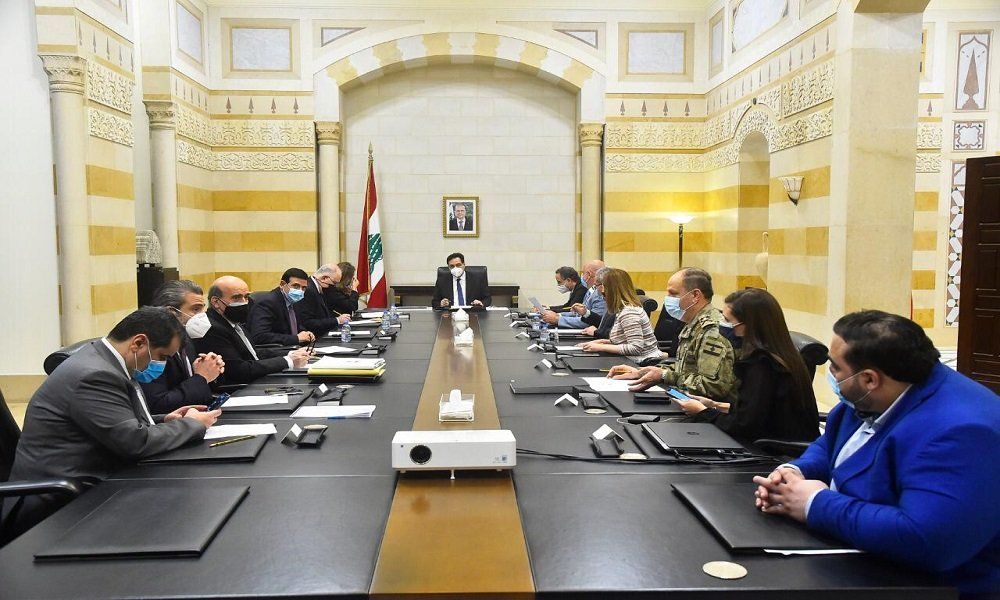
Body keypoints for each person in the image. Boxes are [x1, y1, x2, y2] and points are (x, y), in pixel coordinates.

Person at [753, 311, 999, 597]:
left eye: (835, 367)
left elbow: (927, 539)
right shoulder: (878, 392)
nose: (830, 373)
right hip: (856, 555)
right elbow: (832, 444)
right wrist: (795, 472)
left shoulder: (962, 431)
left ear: (870, 379)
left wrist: (813, 503)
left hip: (928, 586)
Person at [3, 307, 220, 541]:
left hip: (88, 481)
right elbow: (135, 442)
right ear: (138, 343)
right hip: (57, 503)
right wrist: (192, 424)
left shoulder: (105, 361)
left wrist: (164, 419)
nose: (163, 364)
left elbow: (118, 422)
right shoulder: (94, 375)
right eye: (163, 356)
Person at [672, 288, 820, 443]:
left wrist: (703, 412)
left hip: (774, 449)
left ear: (750, 325)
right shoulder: (784, 353)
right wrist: (715, 405)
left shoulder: (762, 364)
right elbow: (756, 411)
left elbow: (744, 426)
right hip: (774, 438)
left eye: (728, 321)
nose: (722, 326)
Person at [609, 267, 737, 403]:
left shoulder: (711, 330)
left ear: (695, 296)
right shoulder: (693, 323)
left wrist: (664, 375)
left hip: (701, 408)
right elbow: (685, 367)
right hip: (683, 399)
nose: (668, 299)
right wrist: (642, 372)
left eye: (673, 294)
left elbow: (713, 387)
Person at [195, 276, 311, 385]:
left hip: (256, 380)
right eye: (236, 298)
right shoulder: (213, 329)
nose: (244, 302)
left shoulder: (232, 321)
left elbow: (252, 353)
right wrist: (287, 361)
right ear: (216, 302)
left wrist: (290, 353)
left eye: (246, 297)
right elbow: (239, 370)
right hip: (238, 389)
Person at [142, 280, 226, 413]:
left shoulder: (185, 337)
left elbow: (193, 386)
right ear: (171, 312)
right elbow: (159, 405)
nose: (202, 316)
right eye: (195, 309)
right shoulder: (151, 348)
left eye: (202, 309)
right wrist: (201, 377)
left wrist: (212, 370)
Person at [577, 268, 662, 364]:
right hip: (627, 360)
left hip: (641, 363)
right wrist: (602, 342)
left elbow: (636, 348)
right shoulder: (622, 309)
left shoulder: (629, 312)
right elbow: (624, 341)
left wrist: (601, 347)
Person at [248, 268, 315, 347]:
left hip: (293, 348)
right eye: (296, 286)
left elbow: (294, 326)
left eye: (303, 288)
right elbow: (260, 336)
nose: (300, 291)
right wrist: (296, 338)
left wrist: (305, 333)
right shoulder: (267, 303)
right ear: (282, 284)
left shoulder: (294, 300)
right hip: (275, 350)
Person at [294, 264, 351, 336]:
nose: (334, 286)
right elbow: (307, 322)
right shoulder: (308, 290)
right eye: (334, 283)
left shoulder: (316, 286)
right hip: (312, 336)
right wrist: (337, 320)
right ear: (324, 278)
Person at [557, 259, 607, 329]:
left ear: (589, 274)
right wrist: (559, 316)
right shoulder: (591, 290)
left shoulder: (600, 294)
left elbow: (591, 322)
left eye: (583, 273)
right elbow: (579, 315)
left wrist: (558, 319)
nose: (581, 277)